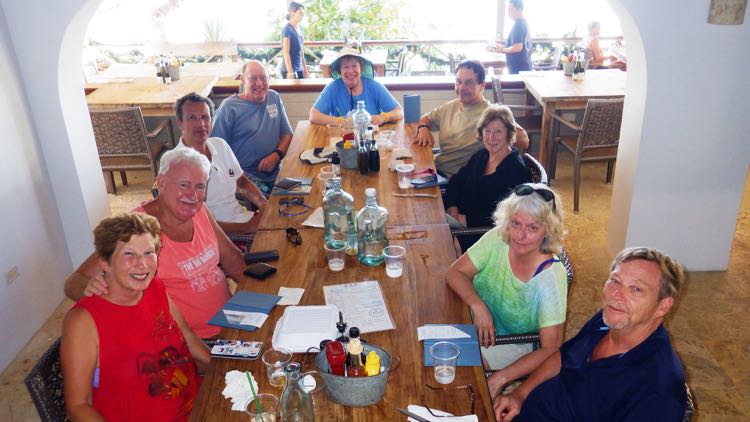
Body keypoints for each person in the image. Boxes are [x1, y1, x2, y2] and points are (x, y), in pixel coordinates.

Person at [64, 148, 246, 338]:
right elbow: (73, 283)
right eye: (184, 185)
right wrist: (97, 291)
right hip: (191, 341)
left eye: (200, 187)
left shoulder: (199, 211)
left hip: (234, 322)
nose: (193, 196)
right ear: (161, 183)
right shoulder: (137, 228)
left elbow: (231, 257)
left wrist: (260, 294)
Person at [494, 247, 688, 421]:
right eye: (615, 281)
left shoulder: (658, 390)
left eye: (636, 289)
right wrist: (520, 394)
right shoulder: (608, 320)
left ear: (663, 306)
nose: (616, 295)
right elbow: (565, 355)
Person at [61, 213, 210, 420]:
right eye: (129, 254)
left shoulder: (155, 287)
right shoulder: (83, 322)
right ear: (104, 262)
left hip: (200, 406)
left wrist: (225, 370)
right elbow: (78, 406)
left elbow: (187, 337)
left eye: (149, 252)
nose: (142, 264)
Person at [446, 183, 567, 395]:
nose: (520, 236)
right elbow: (454, 272)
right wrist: (477, 305)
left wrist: (501, 377)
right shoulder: (499, 239)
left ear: (548, 229)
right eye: (516, 224)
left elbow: (551, 348)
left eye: (532, 228)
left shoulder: (549, 278)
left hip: (512, 343)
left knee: (454, 373)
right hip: (469, 317)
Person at [415, 60, 529, 177]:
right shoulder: (451, 106)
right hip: (436, 169)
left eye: (468, 83)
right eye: (458, 82)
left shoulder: (489, 114)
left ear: (482, 86)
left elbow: (524, 140)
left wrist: (494, 132)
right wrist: (423, 127)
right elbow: (425, 118)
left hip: (455, 180)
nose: (461, 87)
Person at [174, 92, 267, 235]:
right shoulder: (176, 164)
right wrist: (246, 228)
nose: (201, 124)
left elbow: (241, 183)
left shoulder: (220, 145)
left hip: (243, 219)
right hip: (217, 236)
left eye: (205, 117)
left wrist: (264, 205)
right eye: (192, 118)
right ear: (180, 123)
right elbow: (194, 224)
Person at [444, 105, 532, 249]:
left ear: (509, 133)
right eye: (487, 131)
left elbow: (510, 216)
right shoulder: (482, 156)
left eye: (498, 131)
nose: (491, 138)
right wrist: (452, 206)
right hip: (457, 221)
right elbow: (456, 181)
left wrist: (467, 221)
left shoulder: (517, 171)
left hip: (482, 236)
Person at [212, 60, 293, 195]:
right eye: (253, 78)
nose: (259, 84)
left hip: (277, 172)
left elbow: (287, 134)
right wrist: (236, 177)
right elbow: (214, 148)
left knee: (307, 192)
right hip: (245, 179)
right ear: (243, 80)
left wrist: (276, 155)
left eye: (263, 78)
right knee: (278, 208)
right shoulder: (229, 107)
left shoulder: (274, 97)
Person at [309, 48, 404, 126]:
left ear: (361, 68)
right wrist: (340, 121)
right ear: (339, 71)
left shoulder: (374, 86)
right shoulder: (332, 88)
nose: (350, 71)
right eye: (345, 67)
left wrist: (382, 117)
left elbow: (399, 112)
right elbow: (313, 116)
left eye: (354, 66)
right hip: (341, 142)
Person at [495, 0, 533, 74]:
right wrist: (503, 46)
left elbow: (517, 47)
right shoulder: (524, 23)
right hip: (524, 67)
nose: (508, 12)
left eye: (511, 9)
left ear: (519, 9)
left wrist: (502, 49)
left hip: (518, 69)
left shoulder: (518, 25)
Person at [280, 2, 308, 79]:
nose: (302, 15)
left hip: (299, 68)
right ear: (292, 13)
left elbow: (301, 50)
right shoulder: (287, 29)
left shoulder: (300, 28)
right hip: (289, 70)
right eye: (300, 13)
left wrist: (304, 68)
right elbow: (286, 52)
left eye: (303, 13)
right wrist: (290, 72)